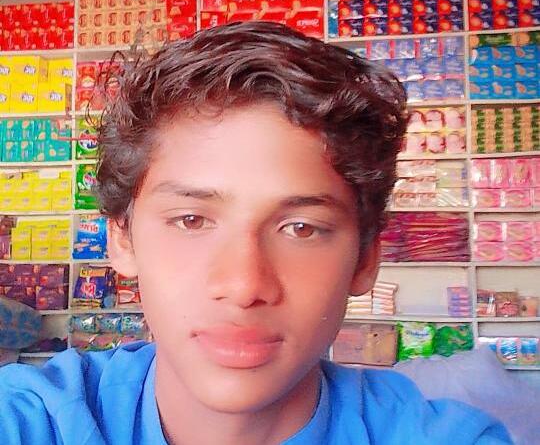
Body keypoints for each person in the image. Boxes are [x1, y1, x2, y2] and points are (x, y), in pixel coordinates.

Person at [0, 22, 512, 444]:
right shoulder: (33, 420)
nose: (244, 286)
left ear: (364, 260)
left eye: (301, 228)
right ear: (122, 239)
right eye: (191, 220)